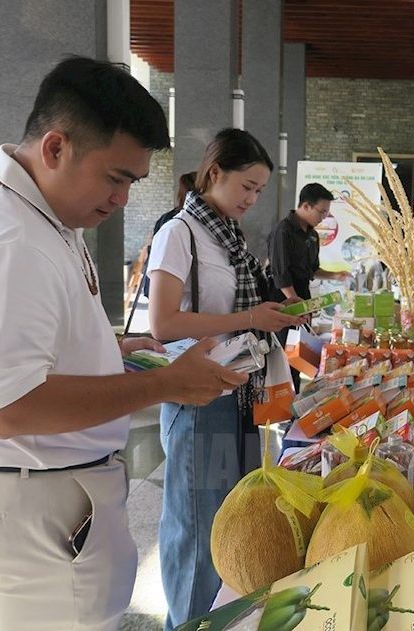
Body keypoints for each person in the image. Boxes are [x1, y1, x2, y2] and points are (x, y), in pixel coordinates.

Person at [0, 56, 248, 631]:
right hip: (38, 511)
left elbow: (41, 342)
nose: (122, 198)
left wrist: (114, 348)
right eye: (116, 177)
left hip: (50, 500)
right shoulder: (8, 242)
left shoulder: (41, 215)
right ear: (55, 148)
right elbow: (8, 406)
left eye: (133, 182)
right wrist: (165, 383)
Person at [146, 127, 306, 629]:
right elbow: (163, 323)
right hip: (196, 396)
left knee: (232, 520)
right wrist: (249, 319)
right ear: (214, 173)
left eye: (259, 191)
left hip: (237, 390)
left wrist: (272, 313)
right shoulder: (180, 232)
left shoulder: (230, 237)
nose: (252, 200)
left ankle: (221, 618)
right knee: (196, 527)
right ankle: (188, 621)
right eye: (246, 187)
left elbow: (242, 307)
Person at [267, 182, 351, 388]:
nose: (324, 217)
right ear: (305, 206)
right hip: (284, 304)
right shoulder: (283, 231)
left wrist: (336, 275)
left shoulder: (312, 235)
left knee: (301, 356)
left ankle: (296, 401)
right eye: (321, 211)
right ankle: (283, 406)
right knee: (285, 358)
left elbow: (313, 269)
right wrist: (296, 307)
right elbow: (280, 274)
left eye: (327, 213)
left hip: (303, 303)